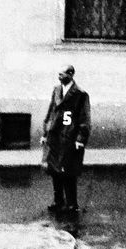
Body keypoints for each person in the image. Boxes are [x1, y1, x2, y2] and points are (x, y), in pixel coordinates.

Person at [40, 64, 91, 213]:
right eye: (58, 74)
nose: (59, 76)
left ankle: (71, 203)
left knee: (69, 171)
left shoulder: (80, 94)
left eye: (62, 74)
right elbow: (51, 112)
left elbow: (84, 118)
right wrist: (45, 133)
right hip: (55, 136)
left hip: (70, 137)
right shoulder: (56, 90)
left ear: (70, 74)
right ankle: (58, 201)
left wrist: (80, 139)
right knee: (54, 170)